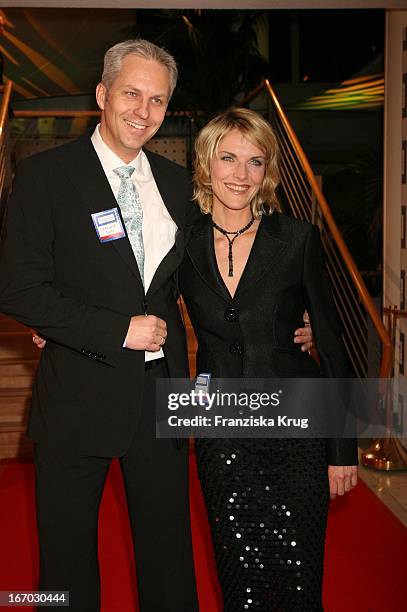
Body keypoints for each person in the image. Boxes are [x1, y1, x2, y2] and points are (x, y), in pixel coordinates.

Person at [0, 39, 199, 612]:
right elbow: (17, 287)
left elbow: (194, 281)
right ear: (102, 95)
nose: (144, 110)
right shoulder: (45, 176)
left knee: (168, 554)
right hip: (77, 393)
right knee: (65, 563)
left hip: (160, 395)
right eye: (132, 93)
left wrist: (285, 317)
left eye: (158, 100)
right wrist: (113, 329)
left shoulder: (177, 183)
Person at [178, 107, 358, 611]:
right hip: (222, 435)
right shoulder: (182, 243)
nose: (240, 174)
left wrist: (343, 449)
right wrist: (55, 326)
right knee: (239, 578)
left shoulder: (297, 238)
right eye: (228, 158)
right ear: (205, 164)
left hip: (297, 433)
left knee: (300, 579)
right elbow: (131, 294)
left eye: (255, 162)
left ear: (267, 172)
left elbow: (334, 345)